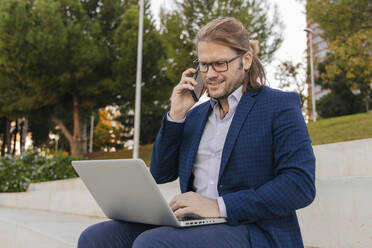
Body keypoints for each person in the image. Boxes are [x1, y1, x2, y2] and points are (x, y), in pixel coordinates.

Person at [78, 17, 315, 248]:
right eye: (204, 65)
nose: (210, 74)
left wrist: (219, 206)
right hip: (194, 224)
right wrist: (176, 115)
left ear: (246, 60)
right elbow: (160, 173)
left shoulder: (278, 105)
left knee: (152, 243)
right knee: (97, 237)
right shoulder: (194, 116)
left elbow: (300, 185)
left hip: (253, 229)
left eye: (220, 63)